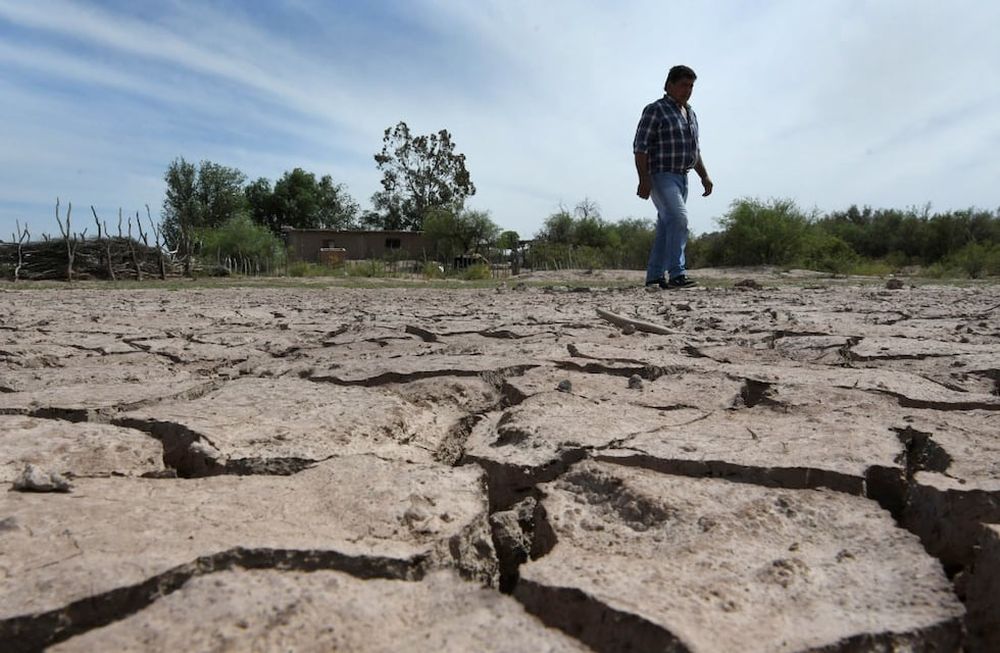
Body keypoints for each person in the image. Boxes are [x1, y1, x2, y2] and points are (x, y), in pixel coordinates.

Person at [633, 64, 713, 289]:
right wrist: (644, 178)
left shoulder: (691, 114)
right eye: (683, 85)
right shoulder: (655, 109)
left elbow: (694, 151)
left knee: (667, 226)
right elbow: (640, 147)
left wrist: (704, 176)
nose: (687, 90)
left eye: (691, 86)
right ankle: (677, 274)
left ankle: (654, 277)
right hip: (661, 175)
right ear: (669, 85)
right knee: (679, 219)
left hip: (682, 177)